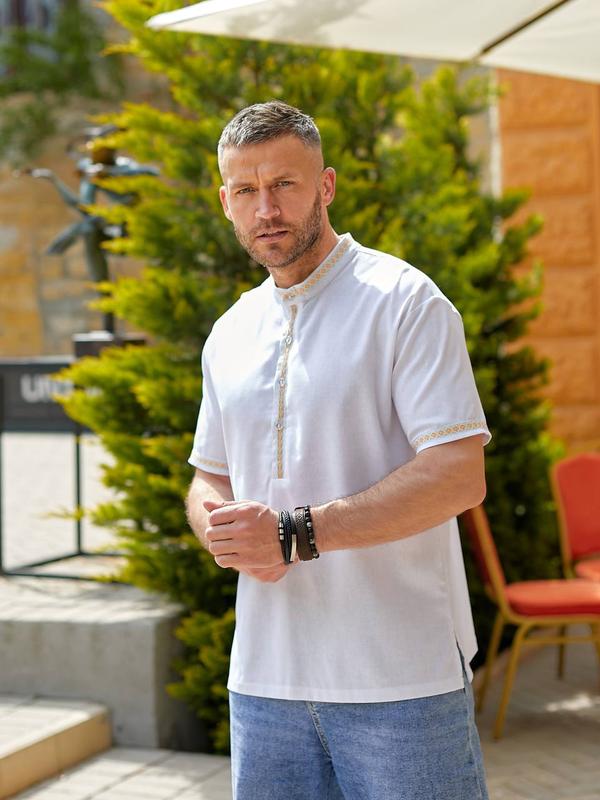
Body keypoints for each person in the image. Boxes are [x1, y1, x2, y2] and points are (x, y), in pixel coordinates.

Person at [186, 100, 491, 800]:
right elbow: (208, 476)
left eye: (284, 184)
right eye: (245, 190)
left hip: (400, 679)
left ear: (325, 186)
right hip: (264, 683)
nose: (266, 208)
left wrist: (292, 535)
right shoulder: (229, 333)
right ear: (226, 202)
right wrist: (220, 529)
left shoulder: (406, 302)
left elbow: (459, 475)